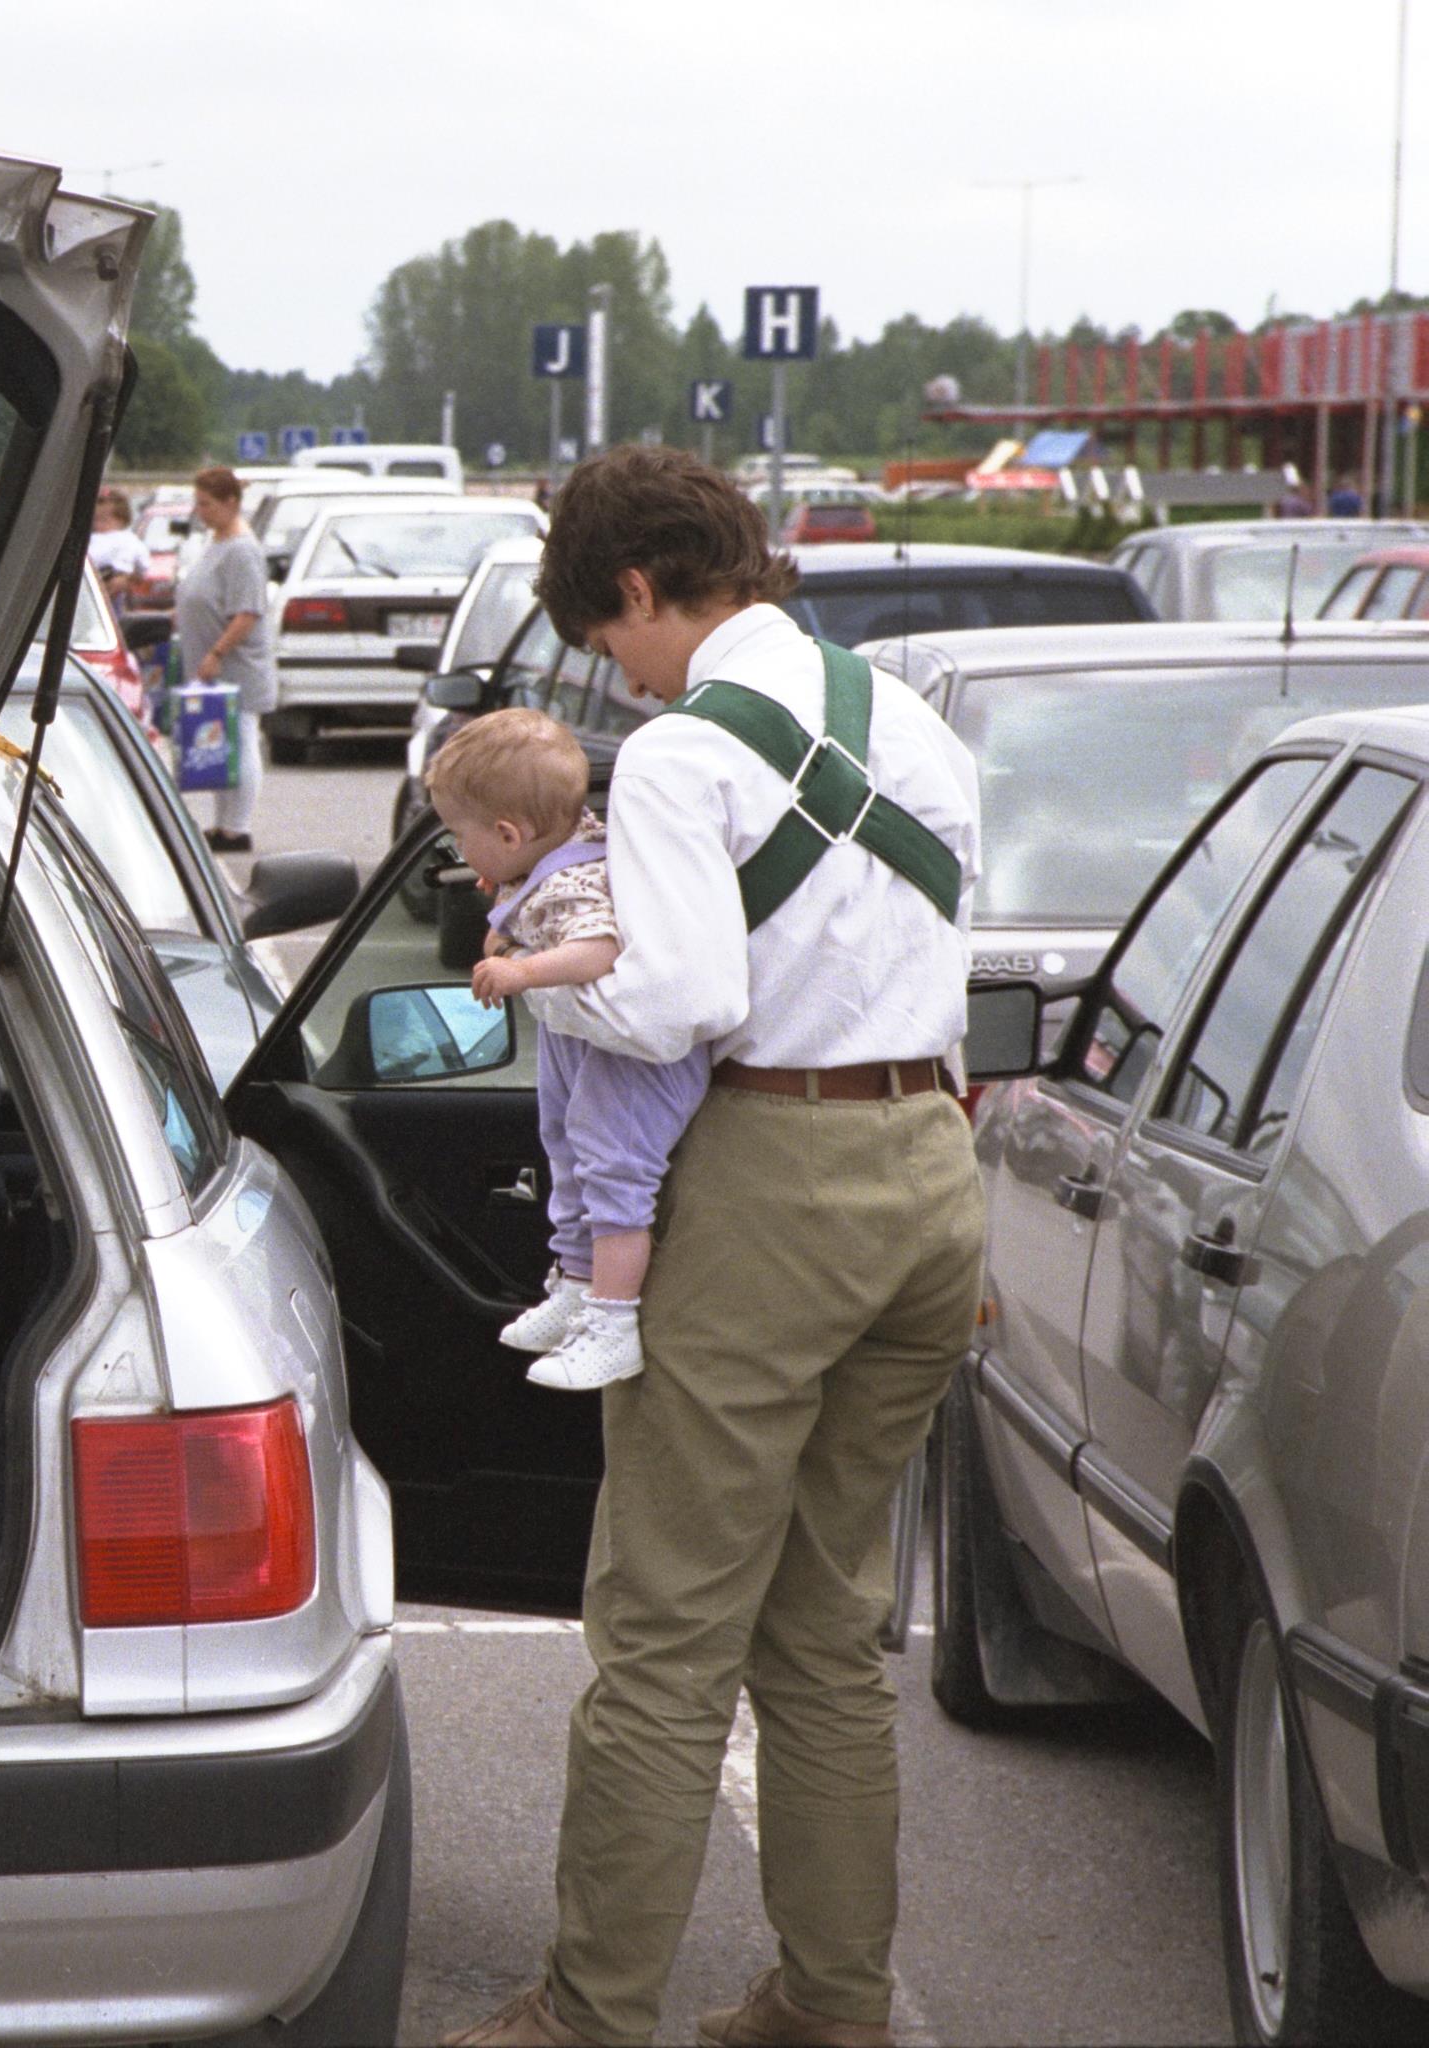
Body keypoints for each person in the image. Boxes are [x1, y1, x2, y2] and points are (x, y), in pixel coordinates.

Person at [446, 444, 983, 2048]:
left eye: (605, 637)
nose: (620, 672)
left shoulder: (684, 754)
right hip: (927, 1168)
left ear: (636, 586)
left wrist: (534, 990)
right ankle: (833, 2001)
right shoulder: (912, 720)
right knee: (825, 1635)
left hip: (775, 1182)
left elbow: (680, 999)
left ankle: (588, 2014)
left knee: (665, 1638)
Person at [432, 708, 711, 1392]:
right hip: (588, 1043)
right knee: (566, 1141)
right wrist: (509, 893)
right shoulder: (557, 854)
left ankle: (612, 1320)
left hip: (630, 1057)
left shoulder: (571, 883)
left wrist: (522, 970)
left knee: (613, 1169)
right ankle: (579, 1281)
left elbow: (598, 948)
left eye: (462, 839)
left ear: (508, 833)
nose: (462, 854)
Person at [173, 465, 274, 853]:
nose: (200, 512)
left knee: (242, 739)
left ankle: (238, 827)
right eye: (198, 504)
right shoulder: (216, 541)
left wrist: (217, 651)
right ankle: (222, 823)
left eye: (207, 504)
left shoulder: (242, 550)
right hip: (208, 662)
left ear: (231, 503)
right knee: (219, 744)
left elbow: (247, 612)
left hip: (235, 663)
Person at [87, 486, 149, 606]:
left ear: (121, 519)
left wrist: (126, 579)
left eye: (105, 520)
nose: (100, 524)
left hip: (114, 593)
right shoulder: (90, 540)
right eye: (96, 520)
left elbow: (142, 568)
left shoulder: (129, 540)